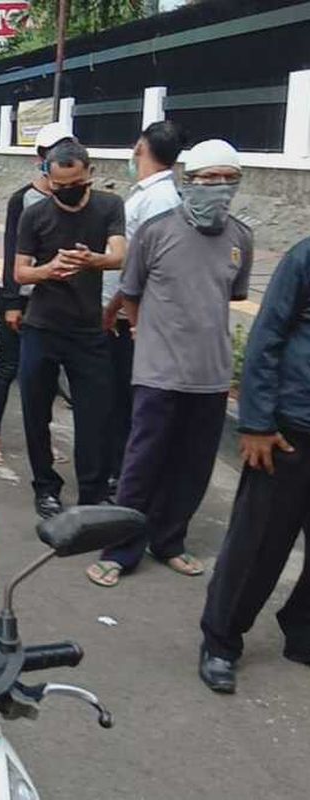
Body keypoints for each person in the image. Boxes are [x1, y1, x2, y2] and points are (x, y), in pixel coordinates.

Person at [88, 140, 253, 588]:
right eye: (208, 179)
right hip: (160, 370)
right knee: (143, 461)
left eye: (227, 179)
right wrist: (142, 334)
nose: (218, 188)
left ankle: (169, 541)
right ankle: (121, 548)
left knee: (193, 466)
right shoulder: (157, 231)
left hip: (212, 374)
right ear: (189, 180)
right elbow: (132, 291)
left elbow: (231, 295)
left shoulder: (240, 237)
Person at [199, 236, 310, 693]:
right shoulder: (304, 258)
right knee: (260, 543)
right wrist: (257, 423)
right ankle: (221, 641)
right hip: (290, 429)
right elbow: (266, 335)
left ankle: (300, 628)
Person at [14, 140, 126, 518]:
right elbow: (20, 272)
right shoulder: (36, 215)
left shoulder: (109, 206)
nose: (67, 191)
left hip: (88, 331)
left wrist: (92, 261)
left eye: (75, 182)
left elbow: (119, 255)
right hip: (41, 328)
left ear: (89, 174)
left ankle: (92, 493)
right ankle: (45, 486)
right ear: (48, 178)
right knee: (35, 412)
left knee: (95, 416)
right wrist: (48, 270)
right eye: (59, 186)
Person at [0, 122, 76, 466]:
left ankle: (44, 440)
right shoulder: (24, 200)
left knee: (46, 375)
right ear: (41, 158)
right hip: (23, 297)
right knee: (8, 367)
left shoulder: (77, 198)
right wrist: (11, 301)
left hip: (59, 300)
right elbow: (12, 255)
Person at [100, 121, 185, 494]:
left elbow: (142, 266)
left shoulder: (158, 200)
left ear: (140, 147)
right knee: (116, 398)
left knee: (123, 400)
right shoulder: (154, 194)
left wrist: (115, 307)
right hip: (122, 312)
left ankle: (124, 475)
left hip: (127, 317)